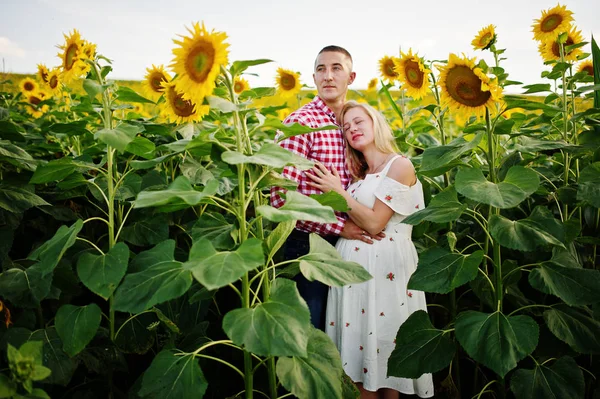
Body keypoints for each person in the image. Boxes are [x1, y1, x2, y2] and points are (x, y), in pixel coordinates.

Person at [306, 101, 434, 398]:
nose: (352, 129)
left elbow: (376, 223)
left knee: (387, 353)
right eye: (346, 127)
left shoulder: (399, 165)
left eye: (358, 121)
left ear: (376, 122)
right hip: (356, 281)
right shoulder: (360, 176)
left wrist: (336, 192)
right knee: (360, 363)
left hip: (385, 274)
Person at [270, 45, 382, 331]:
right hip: (307, 246)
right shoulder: (302, 122)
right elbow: (281, 197)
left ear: (351, 77)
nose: (328, 76)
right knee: (310, 330)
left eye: (336, 69)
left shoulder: (351, 123)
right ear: (314, 77)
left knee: (342, 331)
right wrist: (339, 228)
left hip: (348, 245)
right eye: (321, 69)